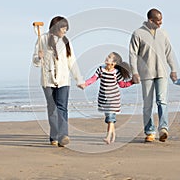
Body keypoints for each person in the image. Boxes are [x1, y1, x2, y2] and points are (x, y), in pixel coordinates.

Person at [32, 16, 84, 147]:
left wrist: (79, 79)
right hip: (47, 81)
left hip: (64, 80)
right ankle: (54, 136)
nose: (65, 31)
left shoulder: (66, 41)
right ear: (56, 27)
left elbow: (72, 62)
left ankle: (63, 135)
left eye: (66, 28)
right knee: (52, 109)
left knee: (62, 108)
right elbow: (35, 62)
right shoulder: (42, 39)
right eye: (63, 28)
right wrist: (39, 57)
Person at [129, 8, 178, 142]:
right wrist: (134, 72)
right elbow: (132, 54)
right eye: (158, 21)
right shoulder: (138, 33)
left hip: (162, 73)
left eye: (162, 20)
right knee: (148, 104)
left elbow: (169, 52)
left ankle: (163, 129)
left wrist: (173, 69)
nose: (161, 23)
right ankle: (150, 132)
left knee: (162, 101)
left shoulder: (163, 33)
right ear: (150, 20)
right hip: (146, 74)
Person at [79, 52, 133, 144]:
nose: (106, 57)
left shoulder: (116, 73)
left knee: (110, 118)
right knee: (109, 118)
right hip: (103, 99)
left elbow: (122, 84)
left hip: (113, 99)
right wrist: (85, 84)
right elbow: (93, 79)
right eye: (107, 56)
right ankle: (113, 134)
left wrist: (132, 82)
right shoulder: (100, 70)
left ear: (114, 63)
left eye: (109, 57)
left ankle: (108, 137)